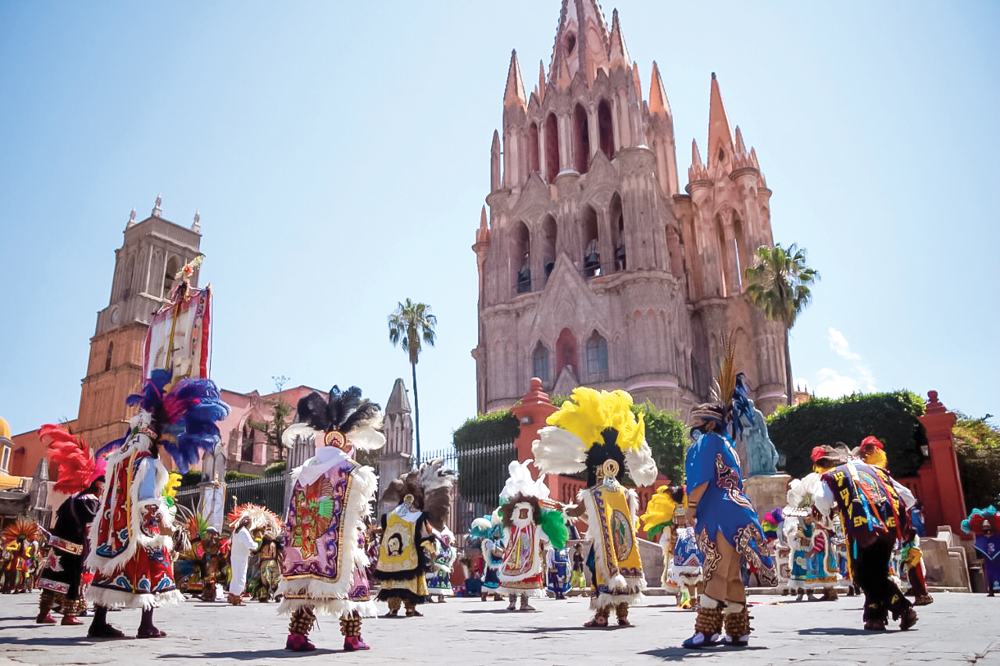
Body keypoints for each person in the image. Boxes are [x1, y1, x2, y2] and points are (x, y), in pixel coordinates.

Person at [86, 369, 229, 639]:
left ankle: (98, 621)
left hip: (114, 532)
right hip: (141, 533)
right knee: (152, 571)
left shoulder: (118, 463)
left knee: (109, 571)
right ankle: (146, 625)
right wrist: (165, 529)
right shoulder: (148, 464)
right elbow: (149, 501)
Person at [532, 387, 659, 628]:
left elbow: (577, 512)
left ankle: (601, 615)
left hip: (604, 548)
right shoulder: (627, 493)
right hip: (625, 548)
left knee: (596, 566)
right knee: (623, 569)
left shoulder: (593, 493)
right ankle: (622, 614)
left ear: (594, 469)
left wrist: (563, 509)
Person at [678, 348, 777, 648]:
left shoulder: (707, 441)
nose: (693, 430)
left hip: (719, 512)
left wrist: (691, 508)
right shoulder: (728, 444)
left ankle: (706, 630)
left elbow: (701, 479)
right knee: (733, 573)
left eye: (696, 424)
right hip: (739, 509)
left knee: (717, 570)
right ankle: (738, 630)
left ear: (707, 424)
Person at [277, 386, 385, 652]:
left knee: (306, 590)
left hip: (305, 543)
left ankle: (297, 635)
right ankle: (352, 638)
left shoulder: (305, 471)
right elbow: (360, 508)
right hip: (339, 544)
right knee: (350, 585)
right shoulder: (350, 470)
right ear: (346, 443)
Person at [813, 444, 918, 631]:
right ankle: (875, 619)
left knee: (862, 575)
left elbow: (822, 500)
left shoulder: (834, 475)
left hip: (862, 529)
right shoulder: (877, 471)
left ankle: (902, 606)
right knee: (878, 572)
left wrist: (831, 512)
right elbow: (908, 498)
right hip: (890, 529)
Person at [35, 424, 106, 626]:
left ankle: (43, 614)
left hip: (58, 545)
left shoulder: (71, 499)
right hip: (75, 549)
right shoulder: (90, 500)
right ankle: (68, 616)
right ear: (98, 485)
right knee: (73, 581)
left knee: (53, 577)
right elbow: (90, 527)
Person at [375, 459, 456, 618]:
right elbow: (426, 536)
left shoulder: (390, 516)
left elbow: (382, 531)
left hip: (390, 559)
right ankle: (409, 608)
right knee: (410, 583)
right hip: (410, 559)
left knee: (393, 584)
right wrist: (432, 551)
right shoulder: (418, 517)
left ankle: (393, 609)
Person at [495, 460, 566, 611]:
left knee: (519, 575)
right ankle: (520, 603)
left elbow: (506, 533)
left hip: (516, 555)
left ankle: (514, 602)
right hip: (524, 554)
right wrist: (546, 540)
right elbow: (543, 535)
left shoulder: (517, 526)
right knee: (525, 574)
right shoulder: (532, 525)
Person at [962, 505, 1000, 596]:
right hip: (988, 561)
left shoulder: (997, 538)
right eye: (985, 531)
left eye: (989, 530)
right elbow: (979, 547)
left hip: (998, 560)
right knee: (989, 574)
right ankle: (990, 590)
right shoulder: (982, 539)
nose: (988, 533)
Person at [227, 517, 258, 605]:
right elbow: (250, 545)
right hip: (241, 557)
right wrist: (258, 542)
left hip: (235, 556)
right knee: (241, 576)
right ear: (248, 524)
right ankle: (237, 597)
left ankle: (232, 595)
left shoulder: (236, 531)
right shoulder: (244, 532)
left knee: (235, 576)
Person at [2, 519, 38, 594]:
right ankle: (18, 588)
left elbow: (9, 549)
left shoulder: (15, 544)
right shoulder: (26, 545)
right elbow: (27, 554)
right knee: (22, 575)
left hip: (15, 561)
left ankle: (9, 587)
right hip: (23, 562)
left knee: (11, 574)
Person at [425, 527, 457, 602]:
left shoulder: (450, 549)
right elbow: (432, 555)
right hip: (437, 567)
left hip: (445, 569)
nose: (448, 540)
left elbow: (450, 559)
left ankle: (441, 596)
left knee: (443, 582)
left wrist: (451, 567)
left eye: (449, 538)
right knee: (433, 582)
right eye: (446, 538)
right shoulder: (438, 545)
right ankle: (428, 596)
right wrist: (433, 565)